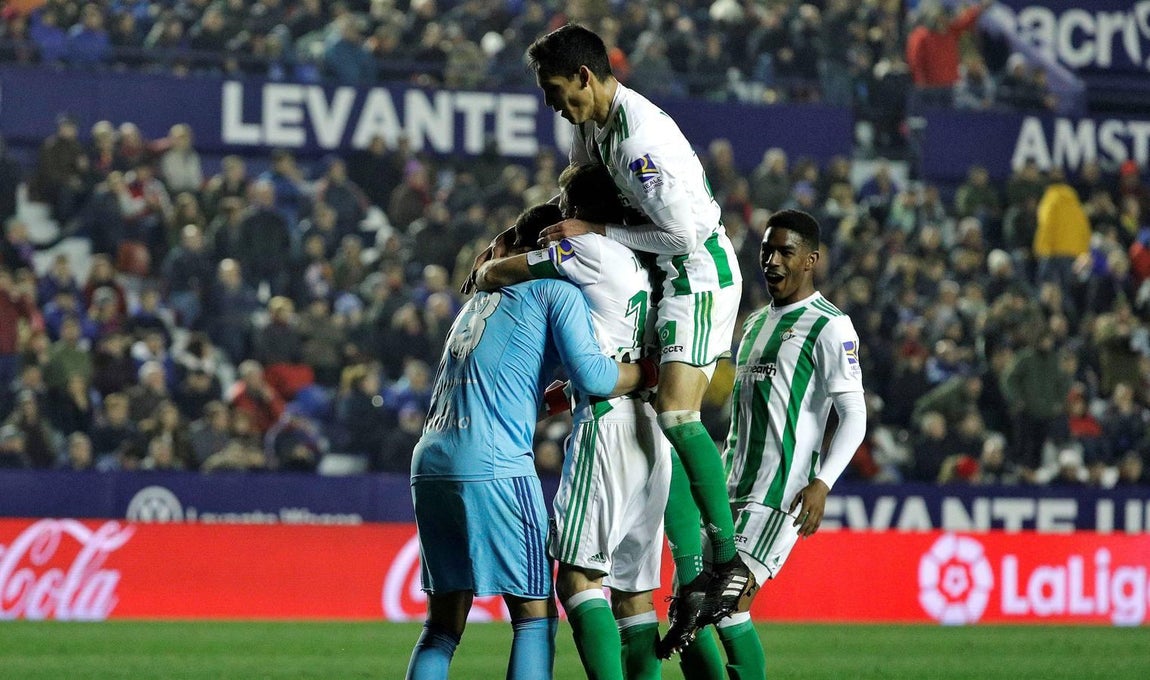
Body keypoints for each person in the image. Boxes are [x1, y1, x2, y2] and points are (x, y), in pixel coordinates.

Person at [525, 24, 749, 653]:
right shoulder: (595, 123)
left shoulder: (642, 141)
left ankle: (725, 558)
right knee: (656, 410)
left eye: (555, 90)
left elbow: (686, 236)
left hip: (698, 274)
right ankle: (697, 569)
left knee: (677, 412)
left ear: (585, 78)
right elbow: (573, 183)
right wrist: (530, 224)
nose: (551, 104)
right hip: (662, 276)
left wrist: (600, 231)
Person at [406, 205, 656, 680]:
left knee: (442, 625)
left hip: (431, 460)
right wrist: (650, 371)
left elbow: (506, 385)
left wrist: (556, 399)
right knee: (534, 616)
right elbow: (597, 376)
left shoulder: (478, 299)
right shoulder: (553, 290)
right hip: (495, 463)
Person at [476, 164, 669, 679]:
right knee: (634, 594)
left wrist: (485, 267)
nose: (558, 214)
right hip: (651, 428)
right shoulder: (642, 260)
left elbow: (506, 272)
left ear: (579, 211)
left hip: (606, 428)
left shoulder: (583, 249)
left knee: (579, 579)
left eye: (563, 204)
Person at [702, 209, 866, 676]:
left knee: (729, 601)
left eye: (785, 252)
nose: (771, 261)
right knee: (695, 605)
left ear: (811, 259)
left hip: (780, 494)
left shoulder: (830, 326)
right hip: (729, 487)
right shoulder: (753, 324)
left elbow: (854, 415)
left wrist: (823, 483)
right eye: (766, 250)